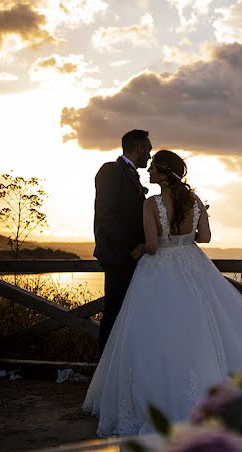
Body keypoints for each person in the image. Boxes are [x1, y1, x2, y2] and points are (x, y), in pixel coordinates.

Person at [84, 150, 242, 436]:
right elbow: (205, 237)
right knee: (203, 328)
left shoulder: (152, 204)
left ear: (163, 173)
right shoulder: (196, 202)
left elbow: (151, 246)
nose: (149, 172)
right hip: (194, 265)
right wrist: (187, 235)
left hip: (159, 270)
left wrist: (143, 247)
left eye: (153, 169)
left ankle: (162, 396)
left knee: (158, 333)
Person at [93, 129, 152, 358]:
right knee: (114, 315)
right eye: (149, 150)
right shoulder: (111, 171)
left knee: (130, 316)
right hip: (119, 257)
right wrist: (132, 246)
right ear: (140, 148)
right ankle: (104, 373)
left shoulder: (132, 175)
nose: (149, 155)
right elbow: (105, 217)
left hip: (133, 257)